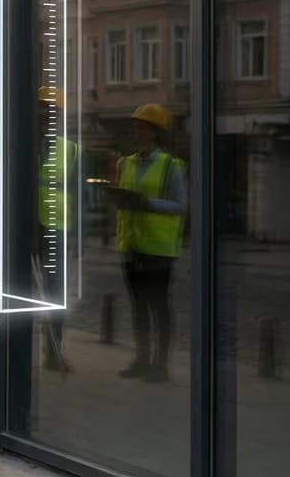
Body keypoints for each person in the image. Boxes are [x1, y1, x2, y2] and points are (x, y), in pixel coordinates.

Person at [108, 103, 186, 383]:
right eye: (134, 127)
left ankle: (160, 364)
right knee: (138, 305)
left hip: (159, 248)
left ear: (155, 133)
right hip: (131, 245)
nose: (135, 132)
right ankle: (141, 359)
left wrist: (146, 203)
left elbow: (180, 205)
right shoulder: (124, 162)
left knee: (159, 306)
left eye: (142, 128)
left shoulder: (171, 166)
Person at [34, 87, 80, 373]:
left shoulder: (71, 150)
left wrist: (76, 234)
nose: (44, 116)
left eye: (50, 111)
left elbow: (79, 194)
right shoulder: (21, 143)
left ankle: (53, 351)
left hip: (56, 228)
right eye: (40, 110)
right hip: (26, 226)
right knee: (21, 292)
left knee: (55, 294)